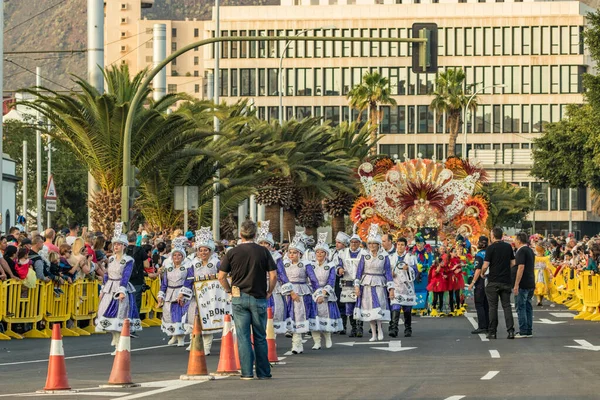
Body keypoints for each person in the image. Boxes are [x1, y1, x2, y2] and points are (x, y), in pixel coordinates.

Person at [218, 220, 277, 380]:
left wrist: (229, 290)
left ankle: (246, 372)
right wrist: (269, 291)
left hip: (239, 297)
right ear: (255, 234)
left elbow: (221, 276)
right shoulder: (263, 252)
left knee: (243, 337)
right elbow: (273, 274)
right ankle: (264, 373)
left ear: (240, 234)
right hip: (258, 297)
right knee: (260, 336)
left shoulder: (232, 252)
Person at [95, 225, 142, 354]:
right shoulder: (110, 259)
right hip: (110, 288)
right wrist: (103, 290)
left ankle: (120, 344)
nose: (116, 247)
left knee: (119, 315)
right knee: (106, 314)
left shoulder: (128, 260)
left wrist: (122, 291)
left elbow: (126, 276)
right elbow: (106, 274)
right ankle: (116, 340)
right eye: (115, 244)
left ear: (124, 246)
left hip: (121, 288)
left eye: (119, 244)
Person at [277, 233, 317, 354]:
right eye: (290, 252)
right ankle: (294, 342)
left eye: (295, 252)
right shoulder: (284, 264)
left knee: (299, 317)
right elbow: (280, 277)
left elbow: (313, 279)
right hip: (287, 293)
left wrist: (318, 293)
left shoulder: (306, 264)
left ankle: (297, 344)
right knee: (289, 317)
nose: (292, 255)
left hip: (301, 293)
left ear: (300, 253)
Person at [353, 224, 394, 342]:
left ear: (378, 244)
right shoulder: (364, 256)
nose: (371, 246)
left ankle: (380, 329)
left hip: (379, 283)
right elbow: (359, 272)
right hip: (366, 284)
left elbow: (388, 272)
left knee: (379, 305)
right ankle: (374, 333)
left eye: (374, 243)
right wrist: (356, 287)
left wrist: (391, 289)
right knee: (369, 307)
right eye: (369, 243)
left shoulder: (384, 256)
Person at [185, 228, 220, 354]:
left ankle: (206, 347)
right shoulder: (193, 263)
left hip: (211, 297)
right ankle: (193, 343)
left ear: (210, 250)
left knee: (208, 322)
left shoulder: (216, 263)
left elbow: (223, 276)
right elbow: (188, 279)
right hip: (196, 297)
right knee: (194, 319)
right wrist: (183, 294)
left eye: (206, 250)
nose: (203, 252)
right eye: (201, 250)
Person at [307, 233, 343, 349]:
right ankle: (316, 342)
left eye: (322, 252)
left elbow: (332, 280)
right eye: (317, 252)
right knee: (314, 318)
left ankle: (328, 337)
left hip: (327, 294)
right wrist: (317, 294)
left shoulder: (331, 265)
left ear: (326, 254)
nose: (319, 254)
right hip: (314, 293)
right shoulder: (310, 265)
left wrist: (324, 294)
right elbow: (311, 280)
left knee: (326, 317)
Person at [157, 238, 193, 347]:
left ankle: (181, 337)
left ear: (183, 257)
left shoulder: (187, 267)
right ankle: (174, 335)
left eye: (179, 255)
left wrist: (183, 294)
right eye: (174, 255)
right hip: (169, 293)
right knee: (169, 314)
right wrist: (161, 295)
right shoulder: (168, 268)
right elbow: (164, 283)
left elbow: (189, 280)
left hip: (181, 293)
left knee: (179, 315)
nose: (176, 257)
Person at [481, 227, 515, 340]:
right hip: (505, 280)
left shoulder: (490, 248)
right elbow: (513, 263)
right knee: (506, 306)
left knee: (493, 307)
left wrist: (482, 273)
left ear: (493, 236)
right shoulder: (508, 247)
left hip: (493, 280)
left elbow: (485, 265)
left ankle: (492, 332)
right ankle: (510, 331)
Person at [256, 221, 286, 335]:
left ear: (270, 245)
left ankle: (271, 339)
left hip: (273, 287)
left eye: (266, 243)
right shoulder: (254, 256)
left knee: (274, 311)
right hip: (257, 286)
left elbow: (282, 274)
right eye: (261, 243)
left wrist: (288, 289)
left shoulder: (276, 257)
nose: (264, 245)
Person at [388, 237, 417, 338]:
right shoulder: (391, 257)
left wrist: (408, 268)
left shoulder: (411, 257)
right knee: (395, 307)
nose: (400, 247)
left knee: (407, 309)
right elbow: (387, 271)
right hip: (396, 286)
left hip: (407, 287)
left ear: (405, 246)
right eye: (398, 245)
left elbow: (416, 272)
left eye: (402, 245)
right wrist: (390, 274)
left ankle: (408, 329)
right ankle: (394, 328)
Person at [337, 231, 364, 338]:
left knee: (360, 305)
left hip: (360, 282)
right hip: (347, 282)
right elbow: (338, 264)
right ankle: (353, 328)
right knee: (349, 306)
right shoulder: (342, 253)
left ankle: (359, 328)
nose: (353, 244)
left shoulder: (364, 253)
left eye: (356, 242)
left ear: (359, 243)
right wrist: (339, 269)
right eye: (352, 242)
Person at [512, 232, 536, 339]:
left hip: (523, 282)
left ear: (519, 240)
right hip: (531, 281)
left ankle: (523, 330)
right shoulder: (530, 250)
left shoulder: (521, 251)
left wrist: (516, 284)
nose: (514, 242)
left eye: (515, 239)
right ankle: (528, 330)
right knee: (528, 306)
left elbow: (520, 267)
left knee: (521, 306)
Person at [126, 230, 149, 336]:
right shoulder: (140, 250)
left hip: (125, 280)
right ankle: (133, 328)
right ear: (136, 239)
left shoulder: (124, 250)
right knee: (135, 304)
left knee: (125, 304)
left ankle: (124, 326)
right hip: (137, 281)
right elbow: (147, 265)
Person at [468, 235, 490, 334]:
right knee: (487, 304)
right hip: (489, 280)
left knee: (479, 304)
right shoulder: (490, 253)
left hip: (480, 281)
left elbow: (478, 269)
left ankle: (482, 326)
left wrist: (472, 282)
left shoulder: (480, 255)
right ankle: (488, 324)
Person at [330, 231, 350, 334]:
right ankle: (336, 324)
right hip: (333, 278)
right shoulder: (332, 252)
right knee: (335, 301)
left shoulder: (347, 253)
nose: (337, 244)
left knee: (342, 302)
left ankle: (343, 325)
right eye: (336, 242)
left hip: (343, 278)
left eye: (339, 242)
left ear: (344, 244)